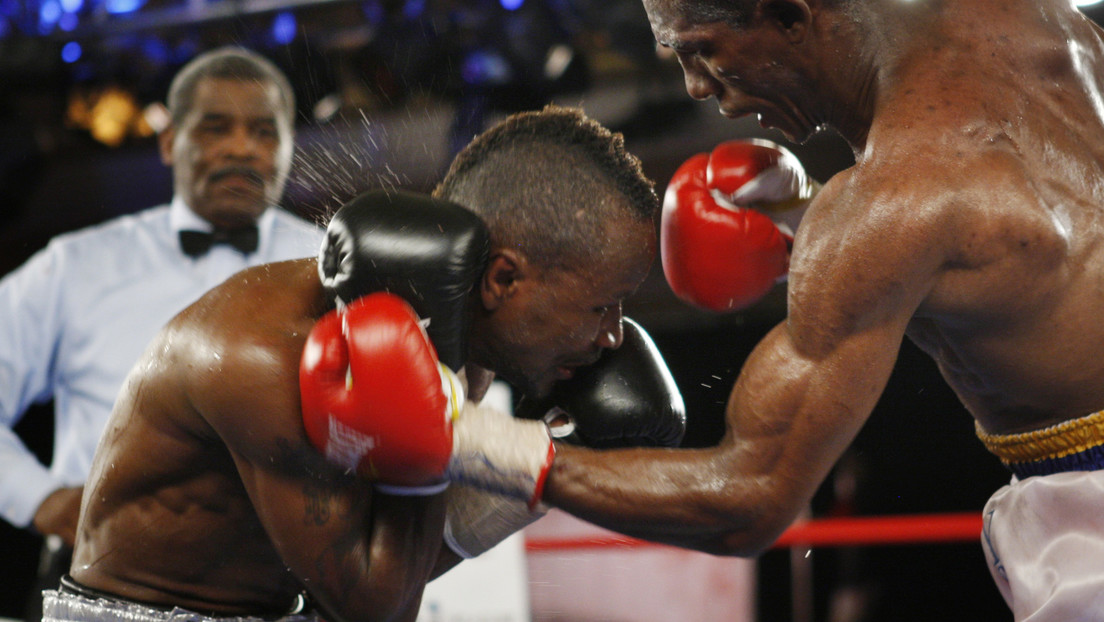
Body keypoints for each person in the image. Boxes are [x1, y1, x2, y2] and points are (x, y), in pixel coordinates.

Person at [413, 0, 1104, 618]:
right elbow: (1012, 245)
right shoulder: (1041, 21)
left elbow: (750, 499)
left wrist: (476, 443)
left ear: (790, 16)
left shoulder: (893, 201)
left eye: (701, 49)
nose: (694, 86)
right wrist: (807, 218)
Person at [55, 106, 685, 622]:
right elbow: (371, 607)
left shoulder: (454, 353)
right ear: (502, 279)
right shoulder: (267, 355)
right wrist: (442, 450)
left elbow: (395, 557)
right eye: (604, 305)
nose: (613, 337)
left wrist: (542, 459)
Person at [0, 44, 323, 614]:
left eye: (264, 131)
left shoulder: (332, 268)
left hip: (289, 592)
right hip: (99, 591)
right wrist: (43, 500)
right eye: (215, 127)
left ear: (289, 147)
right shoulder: (76, 265)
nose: (242, 148)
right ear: (170, 141)